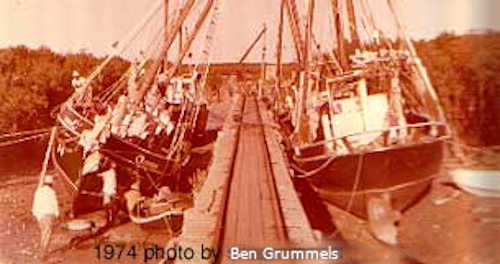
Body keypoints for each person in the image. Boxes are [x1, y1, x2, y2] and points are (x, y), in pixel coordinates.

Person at [32, 175, 60, 259]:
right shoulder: (51, 192)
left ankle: (42, 251)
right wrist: (56, 214)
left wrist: (36, 214)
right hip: (48, 215)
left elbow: (35, 203)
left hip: (40, 215)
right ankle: (43, 254)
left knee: (43, 233)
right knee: (47, 235)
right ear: (51, 184)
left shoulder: (38, 191)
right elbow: (55, 204)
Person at [99, 160, 117, 225]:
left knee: (108, 205)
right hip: (111, 190)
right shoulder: (112, 172)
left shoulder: (107, 173)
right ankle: (111, 218)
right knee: (110, 205)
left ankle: (109, 219)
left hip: (108, 191)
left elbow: (99, 175)